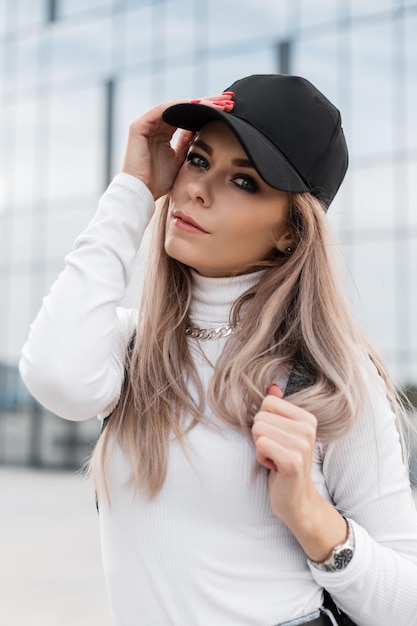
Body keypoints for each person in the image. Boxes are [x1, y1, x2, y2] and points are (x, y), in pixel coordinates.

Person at [19, 74, 417, 626]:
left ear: (291, 233)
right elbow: (55, 376)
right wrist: (134, 188)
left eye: (246, 182)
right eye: (200, 159)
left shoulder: (328, 377)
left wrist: (312, 516)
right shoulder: (134, 349)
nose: (197, 189)